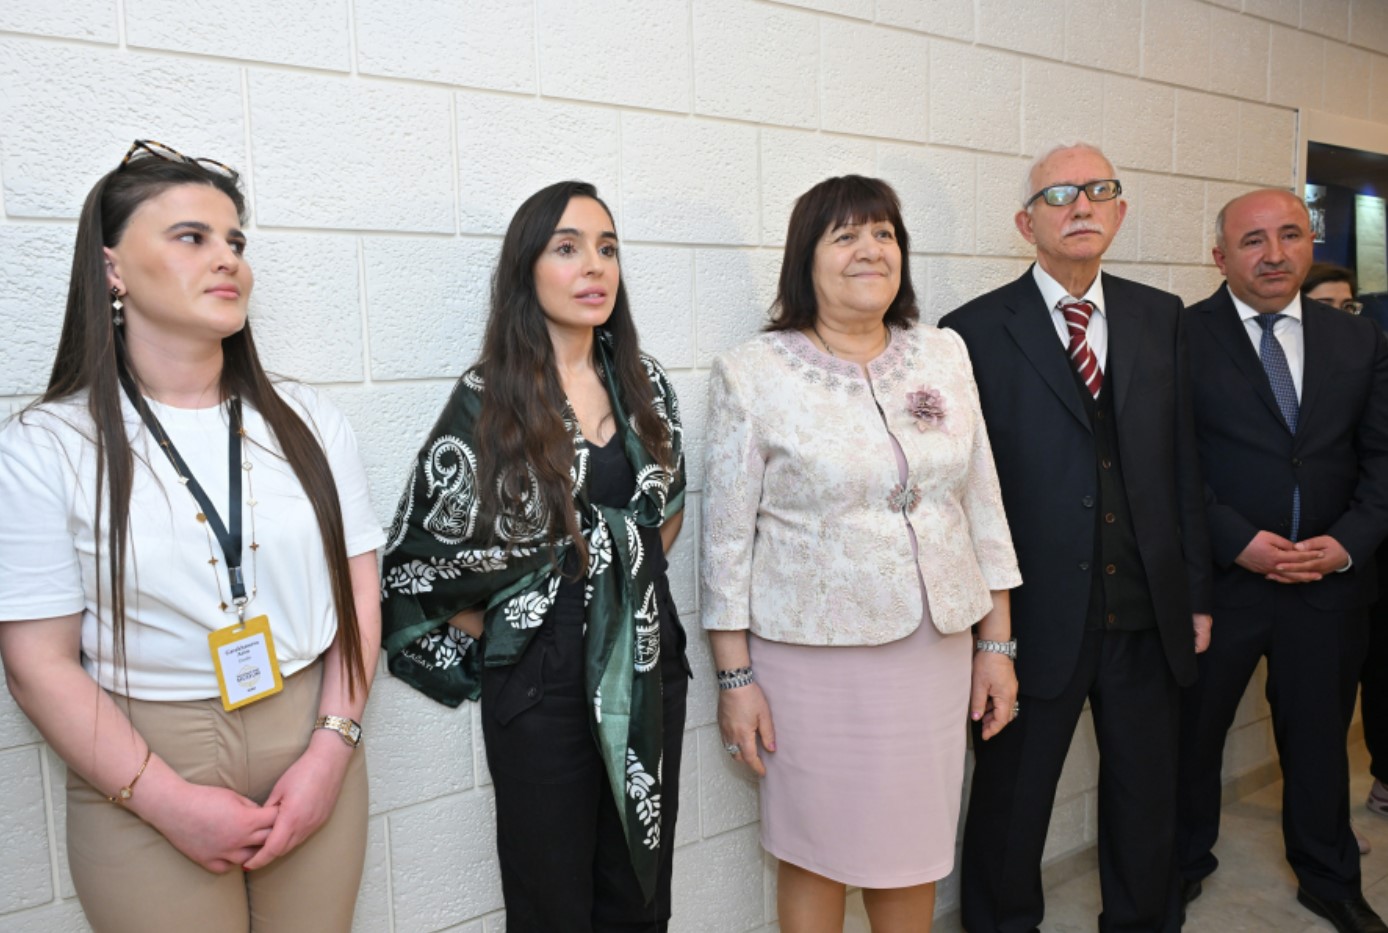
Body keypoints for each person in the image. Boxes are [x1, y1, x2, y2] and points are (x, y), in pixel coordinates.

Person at [0, 141, 384, 932]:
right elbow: (37, 663)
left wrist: (332, 748)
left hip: (311, 737)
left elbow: (359, 593)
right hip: (142, 760)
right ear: (111, 268)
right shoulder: (46, 445)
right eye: (192, 236)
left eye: (235, 239)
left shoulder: (310, 420)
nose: (227, 258)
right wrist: (168, 802)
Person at [702, 174, 1022, 933]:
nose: (870, 250)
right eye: (845, 236)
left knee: (913, 846)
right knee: (815, 849)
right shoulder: (753, 370)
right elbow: (724, 542)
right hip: (809, 658)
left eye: (883, 234)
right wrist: (735, 677)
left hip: (934, 649)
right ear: (804, 260)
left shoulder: (944, 353)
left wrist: (997, 644)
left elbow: (983, 501)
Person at [380, 180, 688, 932]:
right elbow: (421, 562)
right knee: (550, 902)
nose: (595, 265)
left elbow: (665, 515)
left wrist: (616, 579)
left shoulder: (646, 384)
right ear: (527, 269)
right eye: (567, 247)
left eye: (607, 248)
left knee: (640, 893)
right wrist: (531, 626)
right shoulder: (490, 398)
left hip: (646, 661)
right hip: (542, 682)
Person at [940, 141, 1213, 933]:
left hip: (1147, 608)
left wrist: (1196, 593)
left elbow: (1183, 464)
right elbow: (966, 493)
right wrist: (986, 634)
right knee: (1012, 803)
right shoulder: (972, 331)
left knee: (1146, 796)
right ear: (1026, 224)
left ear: (1120, 211)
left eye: (1098, 190)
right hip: (1031, 617)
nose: (1082, 205)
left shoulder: (1161, 315)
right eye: (1060, 195)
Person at [1178, 189, 1388, 933]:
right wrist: (1235, 539)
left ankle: (1330, 879)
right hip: (1221, 582)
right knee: (1192, 737)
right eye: (1253, 240)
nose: (1274, 254)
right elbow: (1168, 459)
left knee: (1320, 741)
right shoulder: (1179, 336)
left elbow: (1382, 457)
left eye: (1290, 235)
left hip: (1327, 585)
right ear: (1220, 256)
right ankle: (1181, 867)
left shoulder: (1358, 340)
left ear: (1310, 243)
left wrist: (1349, 543)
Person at [1303, 263, 1383, 856]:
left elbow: (1379, 453)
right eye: (1324, 305)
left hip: (1347, 560)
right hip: (1248, 567)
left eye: (1347, 305)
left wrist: (1349, 542)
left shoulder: (1366, 350)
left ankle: (1327, 848)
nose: (1339, 317)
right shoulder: (1205, 337)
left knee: (1326, 722)